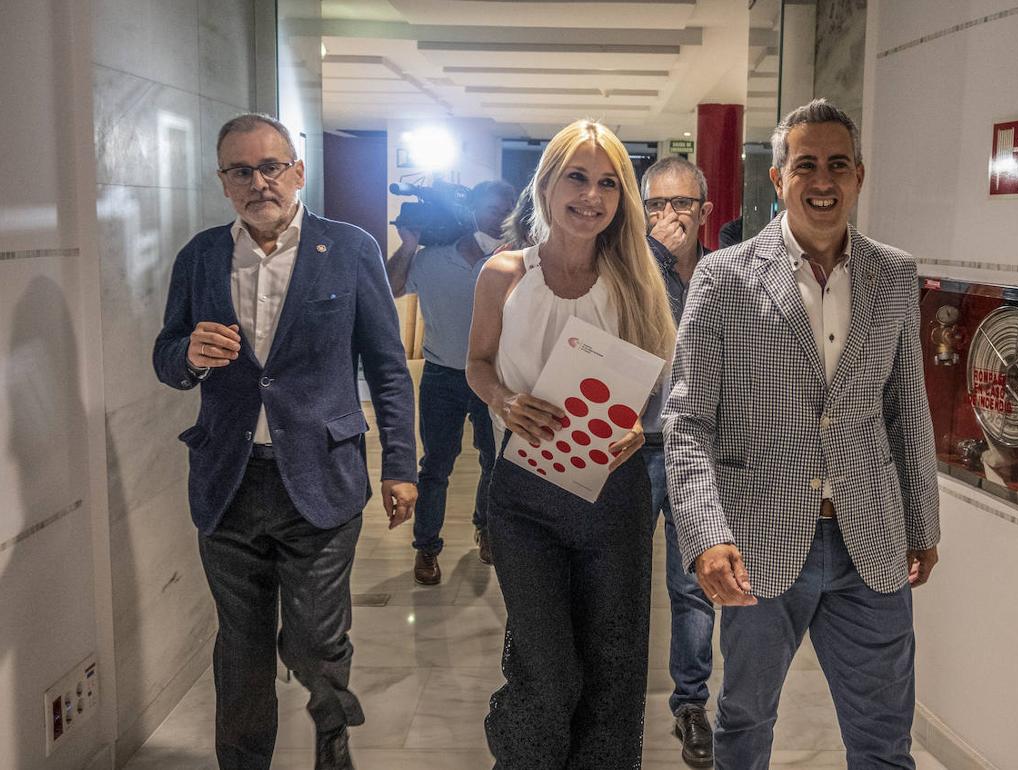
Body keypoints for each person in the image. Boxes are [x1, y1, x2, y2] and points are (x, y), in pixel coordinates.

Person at [664, 98, 941, 769]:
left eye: (838, 165)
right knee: (745, 722)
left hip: (869, 542)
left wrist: (922, 521)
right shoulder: (723, 277)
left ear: (859, 176)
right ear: (779, 178)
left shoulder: (895, 275)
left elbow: (907, 407)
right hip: (758, 542)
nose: (823, 180)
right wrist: (705, 535)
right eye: (807, 164)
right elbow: (686, 419)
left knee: (883, 738)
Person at [153, 113, 418, 770]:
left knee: (314, 641)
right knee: (240, 648)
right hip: (229, 481)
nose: (258, 181)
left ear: (297, 172)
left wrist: (401, 465)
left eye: (271, 166)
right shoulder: (202, 257)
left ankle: (332, 733)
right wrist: (188, 354)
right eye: (241, 170)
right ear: (224, 182)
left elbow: (387, 364)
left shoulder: (350, 248)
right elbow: (165, 356)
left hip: (321, 478)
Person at [466, 119, 676, 768]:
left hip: (612, 495)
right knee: (547, 668)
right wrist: (502, 400)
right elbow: (476, 364)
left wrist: (640, 427)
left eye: (608, 183)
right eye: (577, 178)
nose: (591, 196)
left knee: (613, 668)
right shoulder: (504, 274)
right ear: (548, 185)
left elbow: (652, 388)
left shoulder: (634, 279)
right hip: (525, 497)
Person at [387, 180, 516, 583]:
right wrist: (408, 246)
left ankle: (487, 529)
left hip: (494, 376)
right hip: (442, 375)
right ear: (473, 211)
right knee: (435, 466)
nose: (500, 217)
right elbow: (390, 286)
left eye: (506, 210)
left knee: (493, 461)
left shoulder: (513, 262)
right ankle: (426, 548)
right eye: (493, 209)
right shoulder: (430, 260)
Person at [639, 155, 716, 767]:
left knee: (693, 586)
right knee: (623, 579)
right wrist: (657, 261)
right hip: (633, 448)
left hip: (699, 457)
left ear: (705, 212)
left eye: (681, 204)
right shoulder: (630, 274)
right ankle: (611, 694)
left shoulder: (725, 277)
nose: (669, 216)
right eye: (656, 206)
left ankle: (691, 704)